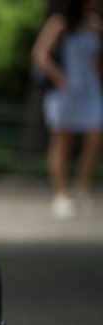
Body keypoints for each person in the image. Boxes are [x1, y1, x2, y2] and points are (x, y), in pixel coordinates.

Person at [32, 0, 103, 220]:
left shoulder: (95, 24)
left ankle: (81, 189)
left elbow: (97, 60)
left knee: (94, 139)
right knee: (62, 141)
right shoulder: (59, 23)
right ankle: (61, 195)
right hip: (63, 93)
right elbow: (40, 54)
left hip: (90, 91)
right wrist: (61, 79)